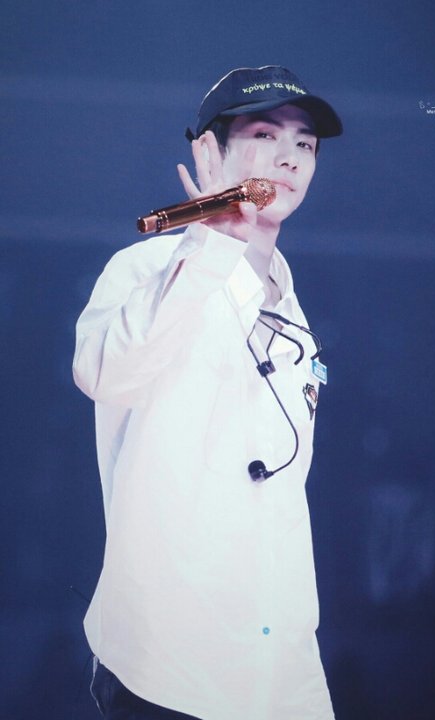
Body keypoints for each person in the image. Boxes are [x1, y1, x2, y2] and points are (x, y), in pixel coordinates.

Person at [73, 65, 342, 720]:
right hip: (169, 662)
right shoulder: (146, 266)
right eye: (264, 134)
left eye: (304, 144)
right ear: (210, 150)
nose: (289, 157)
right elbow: (105, 374)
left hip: (280, 669)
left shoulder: (292, 307)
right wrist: (211, 245)